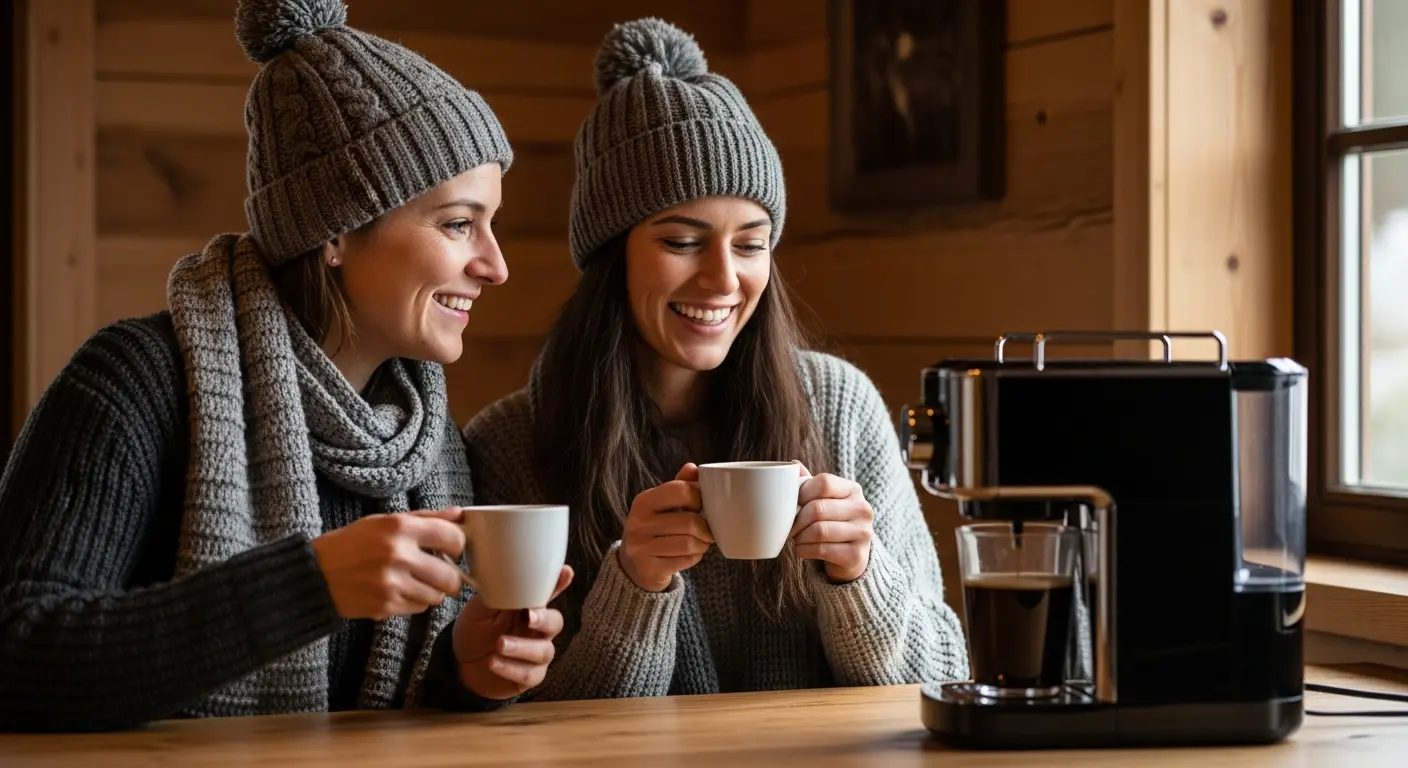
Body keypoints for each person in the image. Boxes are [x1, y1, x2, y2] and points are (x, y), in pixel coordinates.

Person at [0, 0, 570, 732]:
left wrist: (463, 668)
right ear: (334, 233)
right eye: (458, 224)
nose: (495, 265)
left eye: (491, 224)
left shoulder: (423, 434)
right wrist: (308, 585)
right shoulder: (137, 381)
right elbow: (19, 650)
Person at [461, 17, 969, 702]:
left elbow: (943, 674)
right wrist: (635, 586)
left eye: (751, 244)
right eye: (682, 242)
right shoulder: (512, 444)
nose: (724, 279)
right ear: (612, 257)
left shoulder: (840, 407)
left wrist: (859, 576)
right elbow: (520, 718)